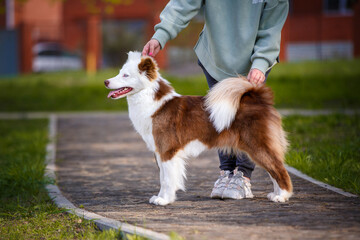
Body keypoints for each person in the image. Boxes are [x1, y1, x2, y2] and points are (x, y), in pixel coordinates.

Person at [142, 0, 289, 199]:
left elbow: (271, 28)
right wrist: (160, 36)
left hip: (254, 59)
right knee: (219, 120)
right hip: (215, 56)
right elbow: (183, 4)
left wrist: (260, 63)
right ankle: (226, 173)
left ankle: (243, 177)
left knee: (250, 128)